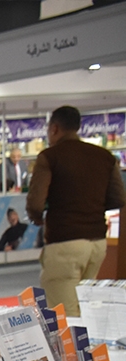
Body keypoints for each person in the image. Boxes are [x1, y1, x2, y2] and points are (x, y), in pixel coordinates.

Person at [26, 105, 126, 316]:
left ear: (54, 129)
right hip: (97, 244)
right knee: (85, 307)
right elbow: (118, 198)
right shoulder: (104, 156)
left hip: (64, 243)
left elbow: (35, 203)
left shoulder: (50, 157)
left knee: (63, 313)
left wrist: (38, 219)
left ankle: (74, 350)